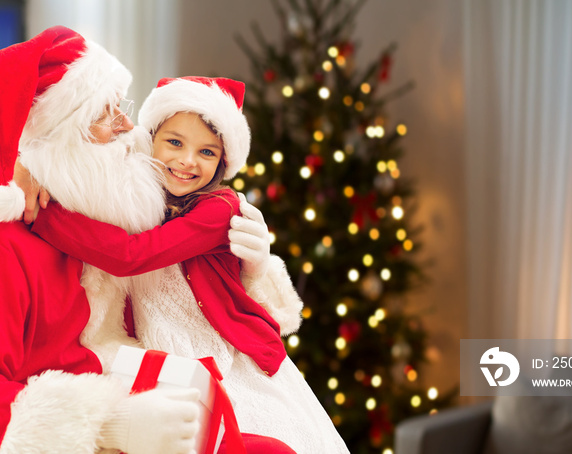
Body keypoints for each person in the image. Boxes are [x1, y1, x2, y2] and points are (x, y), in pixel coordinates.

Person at [0, 26, 291, 454]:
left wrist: (256, 270)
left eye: (122, 106)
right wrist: (110, 427)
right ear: (63, 132)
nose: (129, 126)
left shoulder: (104, 217)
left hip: (143, 387)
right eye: (105, 114)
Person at [29, 76, 350, 453]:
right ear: (151, 139)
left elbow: (133, 255)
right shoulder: (138, 195)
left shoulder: (219, 209)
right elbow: (88, 177)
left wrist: (42, 214)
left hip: (225, 360)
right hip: (164, 360)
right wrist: (33, 174)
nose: (187, 161)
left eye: (207, 152)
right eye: (175, 142)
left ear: (223, 162)